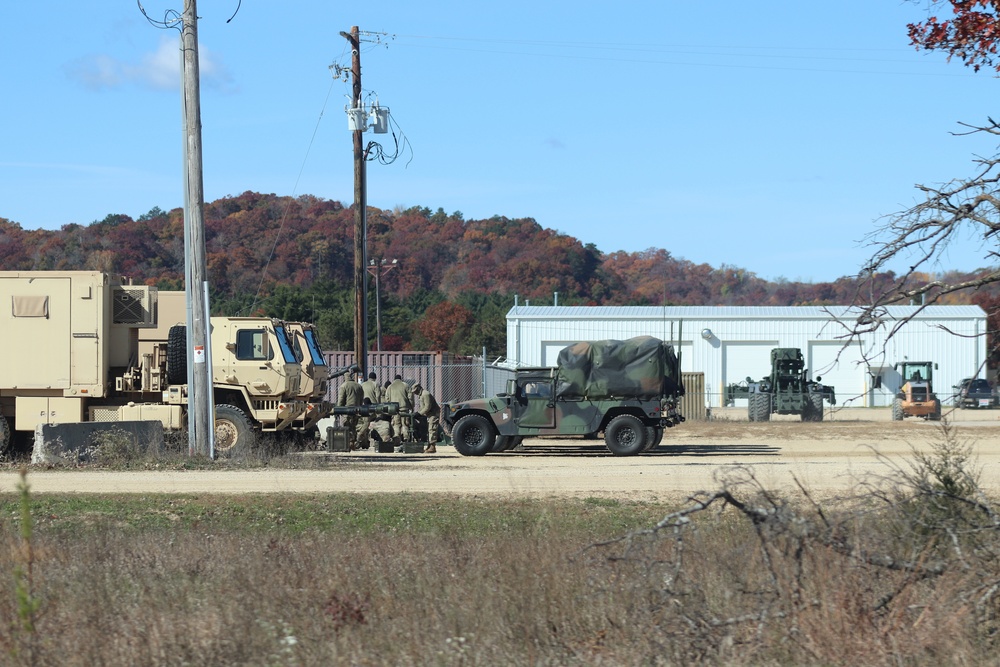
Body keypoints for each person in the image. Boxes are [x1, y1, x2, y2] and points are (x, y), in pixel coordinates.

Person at [336, 371, 365, 449]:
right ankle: (353, 442)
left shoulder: (344, 386)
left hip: (347, 410)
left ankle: (349, 442)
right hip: (357, 409)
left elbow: (341, 399)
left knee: (347, 426)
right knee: (353, 426)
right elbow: (362, 398)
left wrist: (339, 409)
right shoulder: (358, 386)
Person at [412, 382, 441, 454]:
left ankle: (432, 446)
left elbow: (427, 407)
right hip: (429, 414)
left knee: (432, 429)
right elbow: (422, 407)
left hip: (433, 413)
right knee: (429, 429)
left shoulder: (425, 394)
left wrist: (419, 413)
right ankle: (429, 446)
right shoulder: (421, 395)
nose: (414, 393)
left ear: (418, 388)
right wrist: (418, 413)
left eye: (415, 391)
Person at [384, 374, 413, 442]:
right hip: (404, 408)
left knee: (396, 424)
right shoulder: (406, 385)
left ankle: (397, 437)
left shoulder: (390, 387)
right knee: (405, 424)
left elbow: (387, 399)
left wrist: (389, 408)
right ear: (401, 379)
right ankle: (406, 438)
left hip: (394, 409)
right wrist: (411, 406)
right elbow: (410, 398)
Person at [358, 372, 383, 448]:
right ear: (375, 378)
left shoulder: (363, 384)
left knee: (365, 424)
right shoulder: (376, 384)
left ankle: (364, 441)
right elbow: (378, 396)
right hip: (373, 407)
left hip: (363, 407)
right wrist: (379, 406)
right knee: (374, 423)